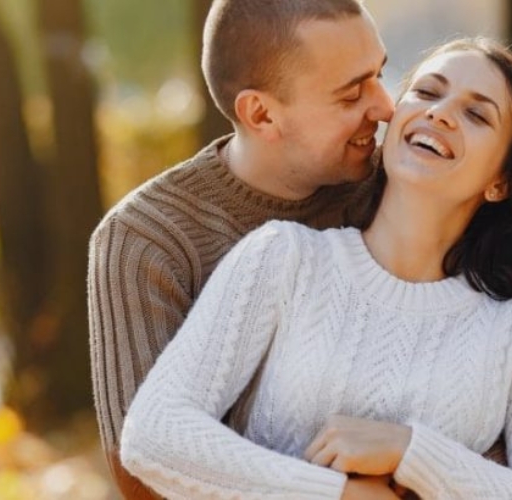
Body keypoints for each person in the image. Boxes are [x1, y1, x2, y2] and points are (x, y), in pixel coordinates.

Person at [119, 36, 512, 499]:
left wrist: (413, 453)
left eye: (475, 114)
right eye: (427, 92)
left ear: (502, 180)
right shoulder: (284, 259)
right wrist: (337, 494)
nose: (439, 113)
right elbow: (155, 432)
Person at [87, 0, 394, 497]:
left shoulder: (397, 190)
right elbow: (143, 474)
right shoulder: (147, 238)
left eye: (380, 75)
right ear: (262, 113)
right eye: (352, 93)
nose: (386, 107)